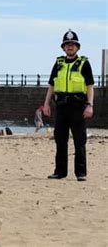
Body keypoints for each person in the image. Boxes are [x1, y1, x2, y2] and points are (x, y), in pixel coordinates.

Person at [43, 30, 94, 182]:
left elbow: (90, 86)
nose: (70, 47)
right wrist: (46, 104)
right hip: (61, 107)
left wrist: (89, 105)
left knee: (79, 141)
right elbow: (51, 85)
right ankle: (60, 172)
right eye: (67, 45)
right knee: (60, 140)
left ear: (77, 47)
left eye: (72, 45)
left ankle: (81, 173)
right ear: (63, 48)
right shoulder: (58, 63)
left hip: (78, 106)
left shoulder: (84, 63)